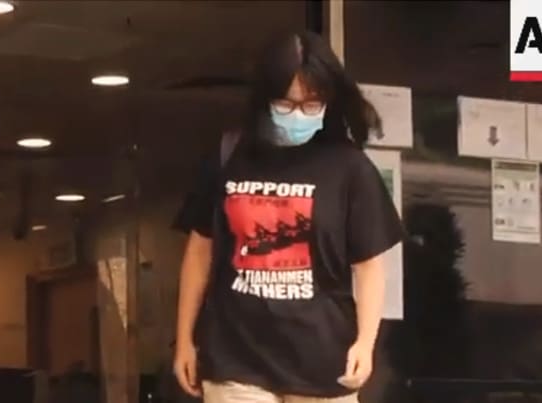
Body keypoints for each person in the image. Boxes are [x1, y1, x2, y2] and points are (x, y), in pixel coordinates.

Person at [172, 30, 404, 403]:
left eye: (311, 105)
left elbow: (370, 267)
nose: (298, 114)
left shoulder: (349, 168)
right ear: (265, 99)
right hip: (236, 358)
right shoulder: (229, 155)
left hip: (323, 364)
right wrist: (184, 339)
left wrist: (365, 342)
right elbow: (199, 253)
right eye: (286, 103)